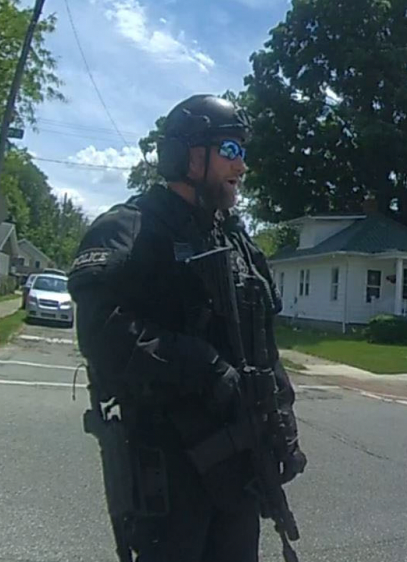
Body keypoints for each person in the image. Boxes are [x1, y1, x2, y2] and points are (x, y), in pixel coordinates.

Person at [68, 94, 306, 562]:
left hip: (236, 466)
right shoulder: (131, 228)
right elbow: (102, 332)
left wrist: (280, 412)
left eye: (243, 152)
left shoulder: (235, 240)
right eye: (231, 151)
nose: (243, 166)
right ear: (189, 156)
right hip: (169, 465)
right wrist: (204, 367)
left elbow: (260, 339)